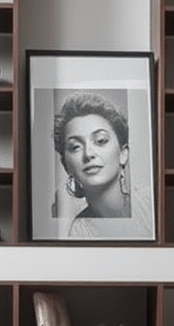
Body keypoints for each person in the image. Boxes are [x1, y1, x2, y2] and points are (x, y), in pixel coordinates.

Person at [52, 92, 153, 239]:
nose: (88, 154)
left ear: (123, 154)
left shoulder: (150, 202)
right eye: (75, 147)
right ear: (66, 166)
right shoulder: (79, 232)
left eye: (100, 140)